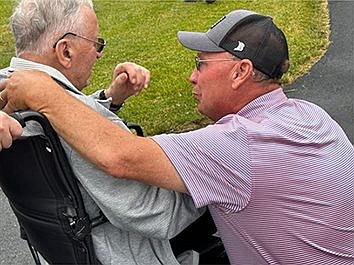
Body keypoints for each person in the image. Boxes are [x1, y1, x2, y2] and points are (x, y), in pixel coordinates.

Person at [1, 9, 354, 265]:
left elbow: (121, 156)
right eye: (98, 43)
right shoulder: (311, 116)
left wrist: (44, 95)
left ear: (240, 72)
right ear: (63, 51)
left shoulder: (236, 145)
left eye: (201, 64)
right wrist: (108, 101)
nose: (191, 77)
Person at [0, 0, 205, 264]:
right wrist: (210, 184)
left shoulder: (8, 87)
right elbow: (155, 213)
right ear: (65, 52)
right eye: (96, 43)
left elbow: (66, 116)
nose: (99, 54)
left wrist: (109, 99)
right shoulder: (69, 113)